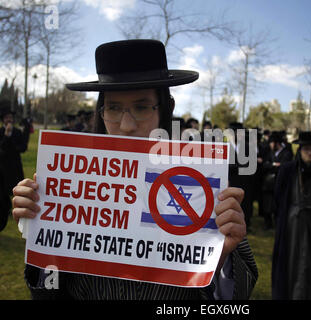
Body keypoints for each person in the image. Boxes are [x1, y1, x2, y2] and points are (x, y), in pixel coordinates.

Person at [12, 39, 258, 300]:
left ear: (166, 110)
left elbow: (236, 294)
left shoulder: (203, 180)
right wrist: (43, 239)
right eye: (114, 108)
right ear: (101, 111)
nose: (126, 125)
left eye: (141, 107)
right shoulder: (72, 183)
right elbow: (51, 291)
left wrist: (218, 259)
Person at [271, 131, 311, 300]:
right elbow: (279, 197)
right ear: (300, 150)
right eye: (306, 149)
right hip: (293, 226)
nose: (310, 153)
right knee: (292, 262)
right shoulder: (287, 170)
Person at [262, 131, 293, 230]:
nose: (270, 145)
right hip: (268, 184)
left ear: (277, 143)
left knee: (278, 206)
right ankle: (268, 224)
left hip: (279, 183)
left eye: (271, 143)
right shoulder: (270, 153)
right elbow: (265, 165)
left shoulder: (286, 154)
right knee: (267, 205)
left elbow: (284, 167)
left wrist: (273, 165)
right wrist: (274, 165)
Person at [0, 103, 28, 195]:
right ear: (3, 119)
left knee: (18, 190)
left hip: (15, 165)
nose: (9, 120)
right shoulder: (1, 132)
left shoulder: (17, 131)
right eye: (7, 117)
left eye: (11, 117)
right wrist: (7, 135)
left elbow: (23, 147)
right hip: (4, 166)